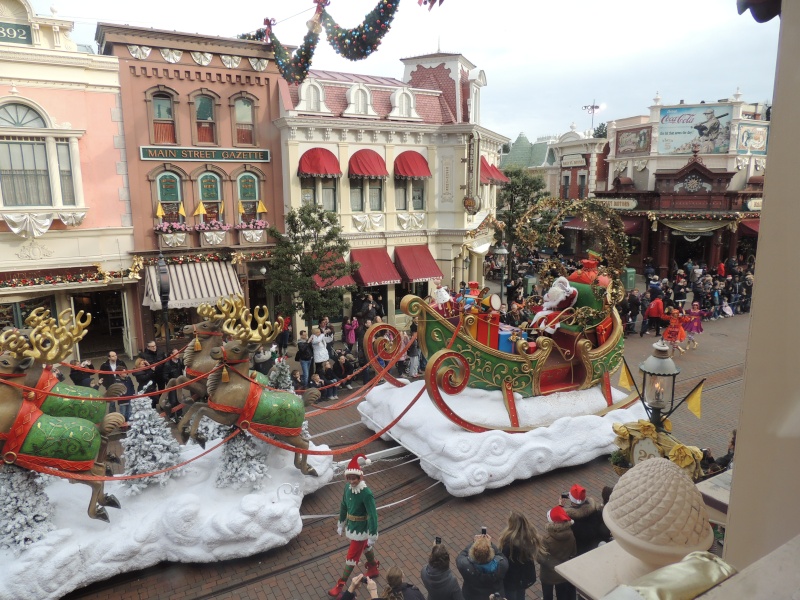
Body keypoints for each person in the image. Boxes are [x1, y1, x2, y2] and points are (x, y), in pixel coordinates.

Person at [329, 454, 380, 598]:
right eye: (349, 478)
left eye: (354, 478)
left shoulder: (366, 493)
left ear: (360, 477)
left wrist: (372, 535)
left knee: (351, 557)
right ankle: (373, 567)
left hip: (362, 531)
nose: (351, 481)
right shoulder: (347, 488)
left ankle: (341, 585)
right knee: (365, 547)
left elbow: (373, 515)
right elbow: (344, 505)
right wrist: (341, 523)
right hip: (352, 527)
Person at [498, 511, 544, 600]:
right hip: (523, 578)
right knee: (520, 595)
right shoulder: (529, 539)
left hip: (510, 579)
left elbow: (502, 560)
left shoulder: (509, 544)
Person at [538, 506, 576, 600]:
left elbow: (540, 558)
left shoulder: (546, 539)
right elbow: (573, 553)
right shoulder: (571, 535)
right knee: (562, 596)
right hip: (562, 573)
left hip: (548, 574)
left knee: (547, 596)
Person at [456, 532, 508, 600]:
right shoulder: (502, 565)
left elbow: (461, 556)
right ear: (491, 553)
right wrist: (490, 544)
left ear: (473, 553)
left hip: (471, 596)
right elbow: (500, 555)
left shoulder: (465, 566)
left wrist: (473, 543)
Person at [100, 351, 133, 420]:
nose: (115, 357)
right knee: (112, 402)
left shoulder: (121, 362)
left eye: (115, 355)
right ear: (109, 357)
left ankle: (126, 419)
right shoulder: (104, 365)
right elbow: (101, 376)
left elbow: (126, 371)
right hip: (111, 386)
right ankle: (112, 417)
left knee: (124, 402)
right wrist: (106, 386)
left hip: (121, 383)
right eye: (112, 356)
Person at [162, 348, 184, 418]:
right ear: (171, 355)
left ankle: (179, 414)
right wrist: (172, 382)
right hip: (172, 385)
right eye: (176, 353)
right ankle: (172, 415)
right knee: (173, 400)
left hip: (179, 384)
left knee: (179, 399)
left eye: (178, 353)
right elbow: (165, 376)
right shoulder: (167, 365)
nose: (178, 354)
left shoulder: (179, 361)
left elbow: (181, 371)